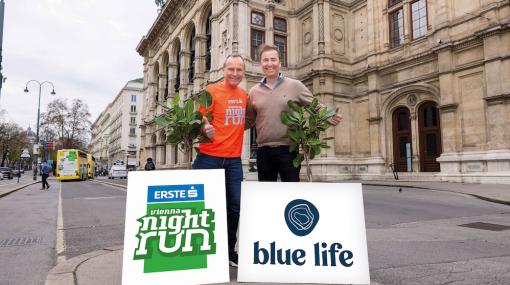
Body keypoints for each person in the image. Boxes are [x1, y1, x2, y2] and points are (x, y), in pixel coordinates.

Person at [247, 44, 342, 182]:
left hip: (289, 150)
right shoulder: (254, 91)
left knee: (291, 193)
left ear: (280, 63)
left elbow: (314, 105)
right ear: (260, 63)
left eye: (273, 59)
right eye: (265, 60)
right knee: (267, 196)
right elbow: (249, 120)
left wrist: (329, 115)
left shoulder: (295, 85)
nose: (269, 64)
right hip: (263, 152)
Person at [192, 54, 247, 267]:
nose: (234, 73)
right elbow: (197, 117)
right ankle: (199, 251)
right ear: (223, 70)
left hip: (233, 161)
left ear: (243, 72)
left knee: (234, 207)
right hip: (208, 157)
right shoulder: (211, 91)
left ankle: (229, 251)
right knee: (201, 205)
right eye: (231, 69)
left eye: (238, 70)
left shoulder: (244, 95)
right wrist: (204, 126)